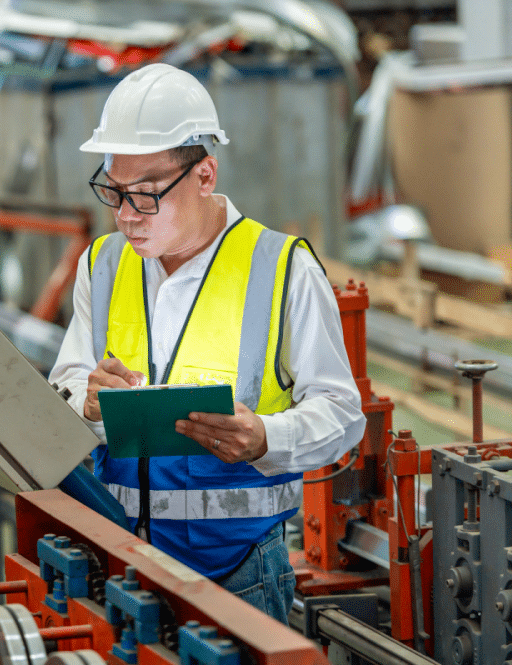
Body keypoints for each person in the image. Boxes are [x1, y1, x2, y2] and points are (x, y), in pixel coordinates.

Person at [49, 63, 366, 623]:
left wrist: (266, 435)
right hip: (117, 559)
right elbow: (66, 383)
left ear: (204, 175)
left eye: (146, 196)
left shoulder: (282, 269)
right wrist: (86, 398)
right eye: (114, 191)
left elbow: (342, 415)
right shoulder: (100, 265)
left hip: (237, 573)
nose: (126, 216)